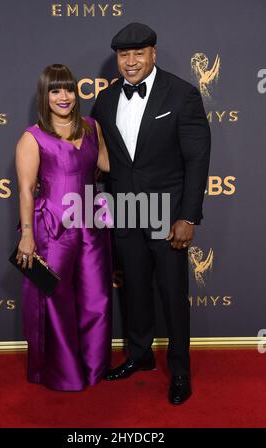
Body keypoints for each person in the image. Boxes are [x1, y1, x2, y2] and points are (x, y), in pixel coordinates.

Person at [92, 23, 211, 404]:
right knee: (136, 292)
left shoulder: (182, 94)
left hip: (168, 214)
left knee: (173, 296)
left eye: (138, 54)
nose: (130, 62)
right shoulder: (106, 101)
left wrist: (188, 217)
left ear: (153, 54)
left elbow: (197, 160)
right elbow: (100, 159)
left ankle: (180, 371)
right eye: (124, 55)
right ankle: (139, 356)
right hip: (125, 211)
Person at [15, 64, 112, 392]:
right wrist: (27, 235)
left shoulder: (91, 127)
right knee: (55, 299)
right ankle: (63, 374)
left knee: (96, 298)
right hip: (52, 228)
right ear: (45, 95)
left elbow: (107, 166)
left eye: (68, 89)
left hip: (91, 224)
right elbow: (27, 189)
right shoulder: (32, 137)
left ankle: (94, 368)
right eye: (55, 90)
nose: (64, 96)